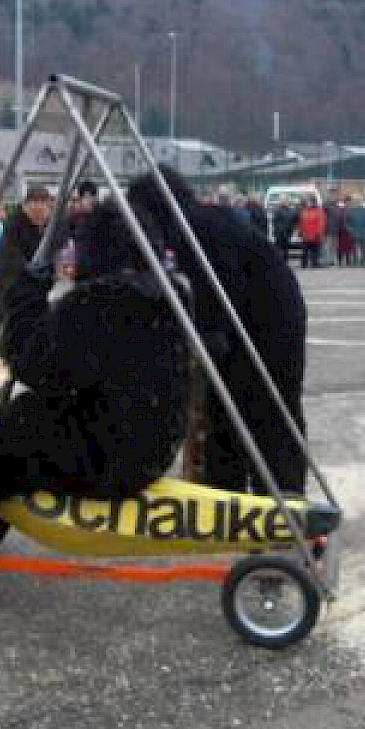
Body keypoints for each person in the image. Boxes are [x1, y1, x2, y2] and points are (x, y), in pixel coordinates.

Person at [0, 200, 187, 551]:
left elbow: (32, 364)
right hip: (153, 447)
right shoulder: (170, 296)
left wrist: (26, 297)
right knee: (23, 418)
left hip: (110, 460)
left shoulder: (100, 303)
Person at [128, 165, 308, 495]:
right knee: (224, 415)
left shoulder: (195, 228)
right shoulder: (196, 221)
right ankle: (226, 490)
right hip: (255, 318)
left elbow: (220, 288)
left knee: (269, 411)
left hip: (266, 324)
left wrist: (206, 339)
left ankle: (282, 498)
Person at [0, 187, 52, 327]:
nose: (39, 217)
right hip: (13, 288)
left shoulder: (49, 227)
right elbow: (9, 257)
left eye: (43, 212)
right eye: (34, 211)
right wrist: (29, 269)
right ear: (25, 206)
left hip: (37, 290)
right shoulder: (14, 225)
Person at [298, 197, 325, 269]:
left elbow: (321, 223)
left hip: (314, 234)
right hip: (306, 234)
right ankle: (304, 264)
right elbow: (300, 223)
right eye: (308, 202)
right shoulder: (303, 212)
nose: (309, 204)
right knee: (305, 250)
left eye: (310, 202)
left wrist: (319, 233)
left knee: (315, 250)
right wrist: (300, 232)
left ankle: (314, 263)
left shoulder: (318, 212)